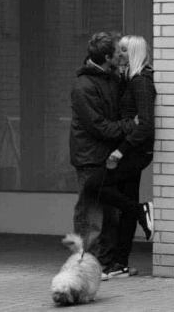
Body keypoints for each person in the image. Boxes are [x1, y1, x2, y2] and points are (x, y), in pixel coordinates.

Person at [84, 34, 156, 279]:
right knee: (126, 204)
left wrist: (120, 150)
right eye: (118, 50)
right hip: (131, 149)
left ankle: (141, 210)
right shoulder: (128, 78)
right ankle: (120, 264)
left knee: (94, 185)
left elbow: (145, 125)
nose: (119, 54)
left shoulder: (141, 81)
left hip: (135, 152)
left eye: (124, 50)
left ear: (134, 52)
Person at [70, 31, 136, 270]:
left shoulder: (112, 78)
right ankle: (86, 267)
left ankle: (105, 265)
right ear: (107, 57)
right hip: (91, 159)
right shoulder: (84, 86)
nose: (122, 55)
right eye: (118, 51)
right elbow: (99, 126)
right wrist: (130, 126)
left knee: (110, 215)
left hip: (107, 158)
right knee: (92, 216)